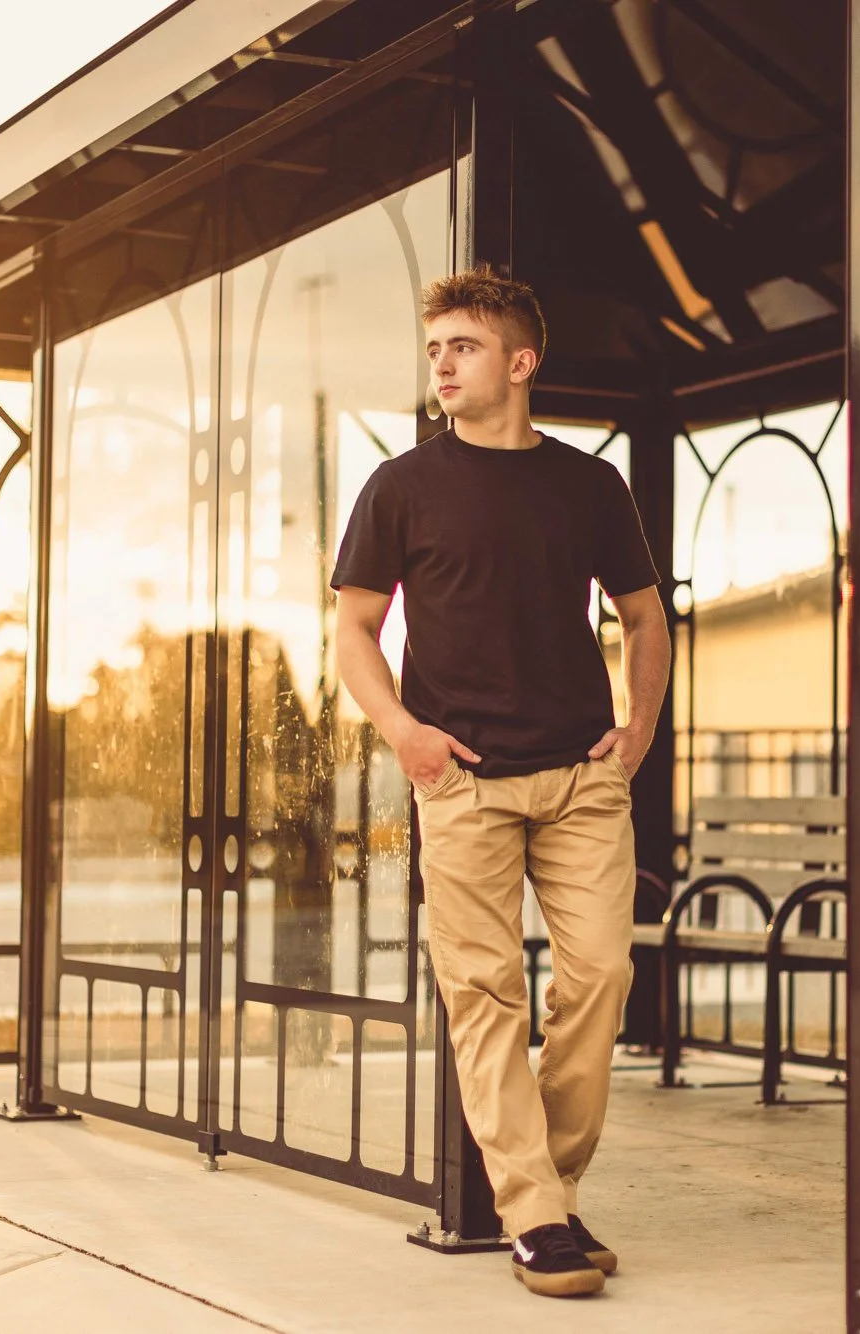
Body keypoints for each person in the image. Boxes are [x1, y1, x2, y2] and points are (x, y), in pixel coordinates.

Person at [330, 267, 668, 1298]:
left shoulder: (589, 485)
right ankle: (537, 1214)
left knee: (599, 977)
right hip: (462, 780)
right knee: (482, 996)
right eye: (434, 346)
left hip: (579, 777)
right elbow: (351, 626)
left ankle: (542, 1195)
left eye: (463, 346)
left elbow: (645, 617)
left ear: (519, 363)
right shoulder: (399, 484)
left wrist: (638, 728)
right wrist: (402, 732)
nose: (441, 361)